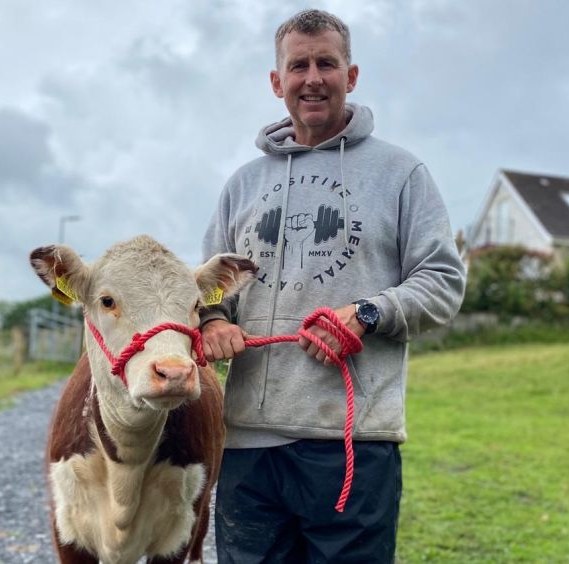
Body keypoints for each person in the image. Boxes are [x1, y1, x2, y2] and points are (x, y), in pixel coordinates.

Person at [200, 9, 466, 563]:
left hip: (352, 446)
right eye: (299, 66)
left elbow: (443, 280)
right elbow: (207, 287)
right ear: (277, 82)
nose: (313, 78)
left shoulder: (401, 174)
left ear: (352, 74)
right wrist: (215, 320)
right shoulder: (242, 185)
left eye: (327, 63)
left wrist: (369, 313)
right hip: (247, 448)